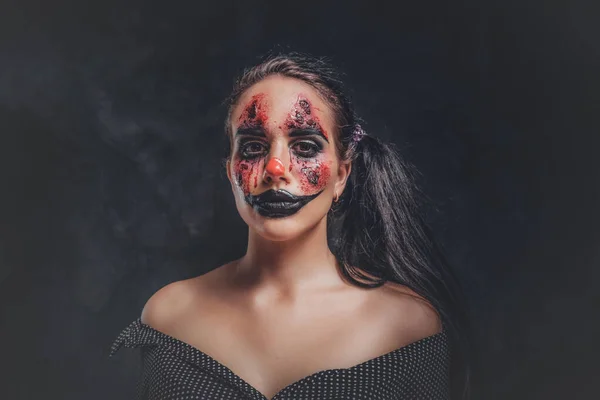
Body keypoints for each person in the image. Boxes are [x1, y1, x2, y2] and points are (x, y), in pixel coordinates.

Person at [110, 52, 472, 400]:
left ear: (342, 175)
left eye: (304, 146)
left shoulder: (407, 325)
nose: (275, 168)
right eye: (252, 147)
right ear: (229, 171)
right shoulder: (170, 314)